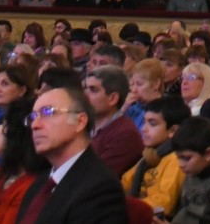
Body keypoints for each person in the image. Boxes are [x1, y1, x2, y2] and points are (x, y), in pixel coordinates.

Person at [18, 82, 130, 222]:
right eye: (33, 117)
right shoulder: (39, 184)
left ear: (79, 122)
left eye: (48, 112)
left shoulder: (100, 188)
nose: (35, 125)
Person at [124, 96, 187, 219]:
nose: (143, 129)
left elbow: (165, 203)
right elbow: (125, 182)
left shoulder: (176, 159)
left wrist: (125, 207)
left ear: (173, 130)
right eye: (144, 122)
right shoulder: (150, 154)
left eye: (152, 123)